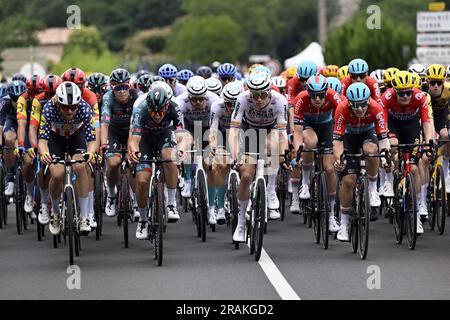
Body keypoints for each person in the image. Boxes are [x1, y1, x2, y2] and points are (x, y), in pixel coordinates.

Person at [229, 71, 288, 242]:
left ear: (269, 91)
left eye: (262, 94)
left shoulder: (279, 101)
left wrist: (283, 155)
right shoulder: (242, 99)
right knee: (246, 176)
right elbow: (233, 131)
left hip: (271, 129)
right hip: (248, 130)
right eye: (255, 95)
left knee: (273, 146)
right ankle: (240, 223)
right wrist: (235, 157)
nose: (259, 99)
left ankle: (270, 189)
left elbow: (283, 134)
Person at [38, 82, 97, 235]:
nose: (70, 111)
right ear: (58, 103)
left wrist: (90, 153)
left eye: (73, 107)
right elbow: (43, 142)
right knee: (57, 174)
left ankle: (84, 216)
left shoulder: (84, 108)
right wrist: (44, 154)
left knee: (80, 166)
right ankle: (56, 213)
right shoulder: (48, 108)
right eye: (65, 107)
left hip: (76, 137)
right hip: (55, 138)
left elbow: (91, 140)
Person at [333, 82, 390, 240]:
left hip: (367, 134)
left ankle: (372, 189)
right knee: (348, 181)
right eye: (355, 105)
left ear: (368, 100)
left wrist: (386, 155)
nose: (359, 109)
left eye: (363, 104)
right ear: (349, 103)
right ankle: (343, 224)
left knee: (372, 151)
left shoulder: (376, 108)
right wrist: (339, 159)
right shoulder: (342, 108)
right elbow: (337, 141)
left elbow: (383, 139)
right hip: (348, 139)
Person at [380, 71, 434, 234]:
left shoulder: (419, 97)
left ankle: (416, 213)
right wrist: (386, 147)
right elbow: (382, 125)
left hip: (411, 127)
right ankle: (390, 179)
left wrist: (429, 143)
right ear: (395, 91)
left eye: (408, 92)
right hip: (393, 126)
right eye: (401, 94)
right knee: (394, 146)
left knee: (415, 169)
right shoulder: (387, 97)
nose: (405, 97)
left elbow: (426, 123)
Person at [129, 86, 186, 238]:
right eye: (153, 112)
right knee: (141, 181)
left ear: (166, 106)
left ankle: (171, 204)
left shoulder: (174, 107)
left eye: (161, 112)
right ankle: (142, 220)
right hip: (145, 139)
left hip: (165, 135)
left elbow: (181, 135)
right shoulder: (140, 109)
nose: (157, 116)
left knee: (169, 158)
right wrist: (134, 150)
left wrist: (180, 149)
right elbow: (134, 139)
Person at [293, 74, 343, 231]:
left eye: (321, 95)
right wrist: (297, 153)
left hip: (327, 127)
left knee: (329, 169)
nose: (317, 98)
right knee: (310, 142)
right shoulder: (301, 99)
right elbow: (298, 132)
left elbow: (342, 121)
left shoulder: (334, 97)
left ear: (326, 92)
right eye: (313, 95)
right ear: (308, 92)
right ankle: (306, 183)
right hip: (308, 126)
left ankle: (331, 215)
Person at [101, 68, 140, 220]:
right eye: (118, 87)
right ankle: (111, 196)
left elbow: (137, 125)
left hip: (133, 131)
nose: (122, 91)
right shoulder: (108, 98)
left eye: (125, 87)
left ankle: (137, 202)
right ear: (112, 87)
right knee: (113, 162)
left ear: (130, 86)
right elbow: (104, 123)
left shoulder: (137, 96)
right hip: (114, 133)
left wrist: (133, 147)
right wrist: (104, 143)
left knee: (133, 163)